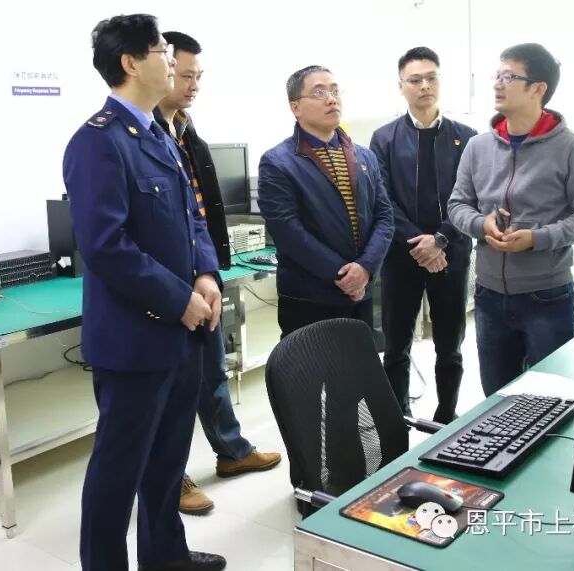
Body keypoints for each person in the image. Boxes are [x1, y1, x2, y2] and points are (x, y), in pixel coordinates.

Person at [62, 14, 226, 571]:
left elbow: (192, 216)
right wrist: (179, 299)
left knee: (167, 462)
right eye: (161, 50)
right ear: (131, 62)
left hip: (182, 334)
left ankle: (165, 557)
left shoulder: (159, 133)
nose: (171, 61)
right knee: (117, 473)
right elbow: (106, 246)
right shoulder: (98, 142)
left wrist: (206, 274)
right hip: (135, 340)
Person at [154, 30, 281, 516]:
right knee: (169, 387)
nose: (193, 84)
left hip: (203, 275)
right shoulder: (139, 137)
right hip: (167, 287)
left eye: (197, 75)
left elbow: (201, 215)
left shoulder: (187, 133)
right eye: (184, 75)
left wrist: (209, 272)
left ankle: (231, 451)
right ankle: (171, 477)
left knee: (211, 371)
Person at [447, 43, 574, 396]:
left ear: (538, 88)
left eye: (509, 76)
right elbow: (457, 205)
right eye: (497, 75)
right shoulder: (478, 147)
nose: (497, 84)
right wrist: (481, 224)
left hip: (547, 297)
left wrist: (538, 238)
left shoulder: (571, 148)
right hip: (489, 296)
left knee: (553, 400)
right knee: (497, 399)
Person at [369, 47, 478, 422]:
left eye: (431, 78)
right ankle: (397, 419)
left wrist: (441, 240)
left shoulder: (467, 138)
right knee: (396, 346)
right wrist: (420, 243)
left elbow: (471, 198)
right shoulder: (384, 139)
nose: (424, 86)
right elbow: (382, 199)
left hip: (452, 254)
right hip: (402, 258)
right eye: (415, 80)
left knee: (450, 346)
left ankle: (447, 416)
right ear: (401, 86)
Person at [257, 65, 394, 339]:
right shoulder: (277, 162)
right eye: (319, 93)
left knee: (358, 365)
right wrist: (343, 275)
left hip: (361, 293)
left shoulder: (364, 157)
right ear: (295, 107)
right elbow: (287, 231)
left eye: (335, 91)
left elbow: (384, 216)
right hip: (310, 297)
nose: (331, 99)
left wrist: (365, 268)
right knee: (309, 366)